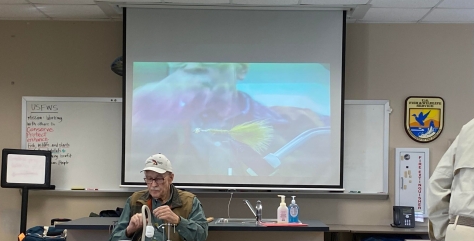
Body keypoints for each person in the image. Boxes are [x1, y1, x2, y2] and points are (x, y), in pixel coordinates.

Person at [130, 62, 328, 177]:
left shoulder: (303, 125)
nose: (190, 67)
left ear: (241, 69)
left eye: (205, 62)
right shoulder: (149, 123)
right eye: (181, 65)